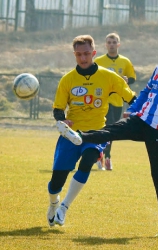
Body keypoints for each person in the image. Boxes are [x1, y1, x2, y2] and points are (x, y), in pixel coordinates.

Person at [56, 39, 158, 237]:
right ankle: (79, 136)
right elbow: (146, 92)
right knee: (112, 130)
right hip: (141, 120)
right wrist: (132, 110)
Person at [47, 34, 136, 227]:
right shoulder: (67, 80)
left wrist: (138, 113)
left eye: (87, 53)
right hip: (71, 135)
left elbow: (131, 97)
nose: (83, 58)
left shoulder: (109, 77)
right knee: (56, 182)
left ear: (94, 53)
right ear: (75, 55)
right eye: (79, 54)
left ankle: (64, 207)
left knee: (88, 161)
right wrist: (63, 121)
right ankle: (54, 202)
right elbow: (58, 109)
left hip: (96, 132)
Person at [94, 32, 136, 171]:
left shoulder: (125, 61)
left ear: (118, 44)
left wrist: (127, 81)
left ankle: (103, 156)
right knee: (106, 128)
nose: (111, 45)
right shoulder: (99, 61)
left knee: (111, 131)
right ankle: (105, 158)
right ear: (105, 45)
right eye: (109, 42)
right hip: (103, 100)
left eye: (114, 42)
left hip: (118, 101)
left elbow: (132, 78)